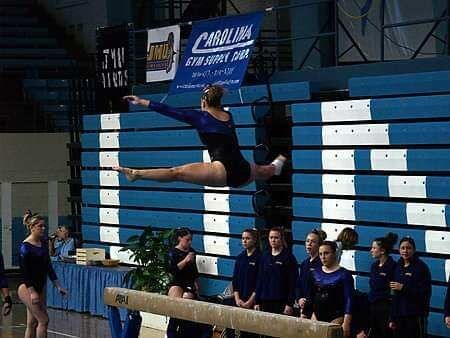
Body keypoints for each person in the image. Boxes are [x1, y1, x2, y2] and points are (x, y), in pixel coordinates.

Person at [113, 85, 286, 188]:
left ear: (203, 102)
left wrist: (142, 101)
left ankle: (136, 173)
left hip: (222, 170)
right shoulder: (228, 115)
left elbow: (170, 110)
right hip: (244, 170)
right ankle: (279, 162)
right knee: (265, 170)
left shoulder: (200, 117)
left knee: (176, 173)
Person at [19, 210, 68, 338]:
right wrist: (32, 292)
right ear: (32, 227)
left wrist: (58, 286)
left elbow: (48, 267)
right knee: (43, 320)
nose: (43, 228)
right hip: (27, 288)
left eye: (44, 225)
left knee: (31, 322)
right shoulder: (25, 247)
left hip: (40, 287)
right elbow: (25, 273)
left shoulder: (43, 243)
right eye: (40, 226)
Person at [167, 228, 211, 338]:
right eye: (187, 240)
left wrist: (196, 283)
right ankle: (170, 331)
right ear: (179, 238)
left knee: (186, 298)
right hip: (177, 281)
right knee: (175, 303)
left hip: (188, 282)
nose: (190, 242)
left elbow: (194, 270)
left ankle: (184, 332)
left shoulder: (192, 252)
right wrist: (185, 260)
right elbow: (172, 270)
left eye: (191, 240)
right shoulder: (173, 252)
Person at [309, 240, 354, 338]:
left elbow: (349, 299)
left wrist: (346, 323)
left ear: (334, 254)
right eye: (320, 254)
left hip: (336, 316)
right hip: (317, 315)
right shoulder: (316, 272)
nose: (323, 257)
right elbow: (313, 296)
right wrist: (308, 313)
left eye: (326, 253)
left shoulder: (344, 274)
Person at [388, 236, 431, 338]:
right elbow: (394, 295)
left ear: (414, 250)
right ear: (399, 250)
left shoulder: (421, 268)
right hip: (399, 316)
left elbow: (425, 293)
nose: (405, 251)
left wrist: (404, 288)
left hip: (416, 316)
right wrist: (392, 317)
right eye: (402, 248)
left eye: (408, 248)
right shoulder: (397, 267)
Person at [254, 227, 298, 317]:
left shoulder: (288, 257)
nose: (273, 240)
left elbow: (293, 282)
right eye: (271, 237)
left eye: (276, 238)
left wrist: (290, 304)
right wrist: (257, 301)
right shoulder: (265, 256)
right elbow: (260, 280)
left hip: (281, 302)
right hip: (265, 300)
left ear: (282, 239)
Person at [228, 229, 261, 338]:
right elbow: (235, 280)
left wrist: (249, 302)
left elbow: (259, 283)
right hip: (239, 300)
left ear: (254, 240)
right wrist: (237, 299)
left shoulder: (260, 258)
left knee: (250, 333)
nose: (244, 241)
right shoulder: (240, 258)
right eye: (243, 238)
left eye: (247, 238)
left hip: (253, 301)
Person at [368, 233, 398, 338]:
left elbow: (394, 291)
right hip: (373, 305)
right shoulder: (374, 266)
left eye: (374, 248)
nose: (371, 250)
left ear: (382, 251)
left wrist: (392, 315)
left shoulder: (393, 266)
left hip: (386, 307)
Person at [296, 228, 326, 318]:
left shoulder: (321, 264)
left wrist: (308, 304)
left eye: (313, 242)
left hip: (315, 308)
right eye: (307, 241)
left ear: (319, 245)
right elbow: (299, 284)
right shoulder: (304, 263)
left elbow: (319, 289)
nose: (309, 244)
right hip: (303, 305)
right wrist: (299, 299)